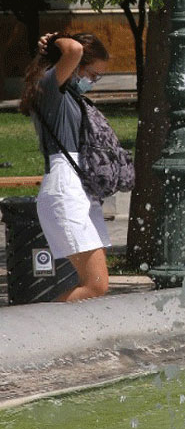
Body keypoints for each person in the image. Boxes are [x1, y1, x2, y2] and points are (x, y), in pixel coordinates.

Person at [19, 32, 112, 301]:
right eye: (92, 75)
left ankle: (64, 325)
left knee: (96, 284)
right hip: (65, 188)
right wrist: (55, 39)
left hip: (79, 188)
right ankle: (37, 325)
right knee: (95, 285)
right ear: (74, 66)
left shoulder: (69, 95)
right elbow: (73, 49)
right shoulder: (50, 88)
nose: (92, 82)